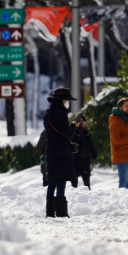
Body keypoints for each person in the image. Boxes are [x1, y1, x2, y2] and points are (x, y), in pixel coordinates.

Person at [43, 87, 78, 218]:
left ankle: (50, 212)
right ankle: (62, 212)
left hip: (51, 150)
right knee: (61, 180)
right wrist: (75, 125)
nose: (68, 102)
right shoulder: (61, 114)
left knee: (52, 181)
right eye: (67, 100)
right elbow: (67, 134)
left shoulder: (47, 113)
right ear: (63, 100)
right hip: (62, 152)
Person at [70, 114, 96, 190]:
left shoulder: (87, 133)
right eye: (80, 122)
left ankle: (88, 197)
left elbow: (91, 145)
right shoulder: (73, 133)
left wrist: (94, 154)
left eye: (83, 122)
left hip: (85, 161)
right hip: (75, 161)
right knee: (74, 184)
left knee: (87, 184)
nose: (82, 124)